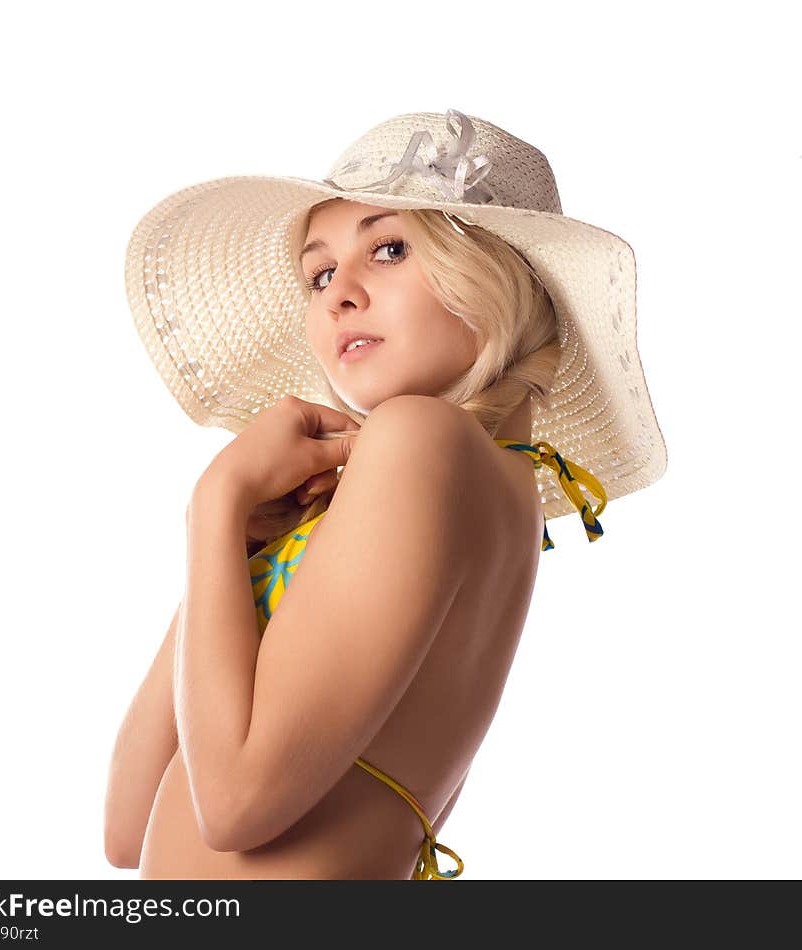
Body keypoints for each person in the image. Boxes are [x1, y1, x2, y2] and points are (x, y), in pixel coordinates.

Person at [104, 109, 667, 880]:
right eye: (321, 272)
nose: (340, 295)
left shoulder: (419, 440)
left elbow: (233, 807)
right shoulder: (456, 484)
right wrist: (237, 545)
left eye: (390, 248)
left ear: (501, 273)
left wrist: (215, 499)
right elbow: (128, 828)